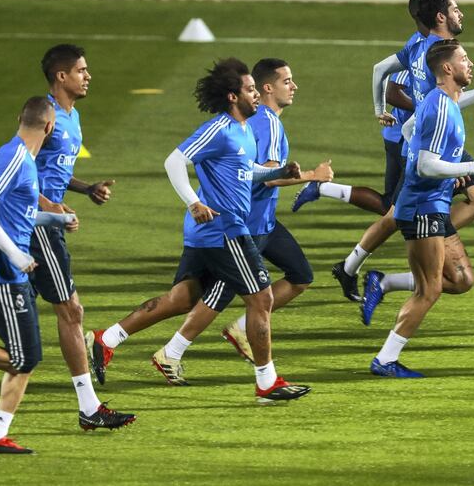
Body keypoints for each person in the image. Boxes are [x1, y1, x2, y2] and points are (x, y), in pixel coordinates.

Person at [86, 58, 309, 403]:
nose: (255, 96)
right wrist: (192, 201)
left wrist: (280, 172)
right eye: (250, 90)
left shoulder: (245, 131)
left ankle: (107, 340)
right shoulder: (218, 128)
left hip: (212, 232)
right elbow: (174, 160)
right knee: (262, 298)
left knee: (184, 298)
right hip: (224, 230)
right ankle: (267, 382)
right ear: (233, 97)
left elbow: (246, 172)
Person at [150, 58, 332, 378]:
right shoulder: (265, 124)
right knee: (222, 293)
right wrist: (309, 175)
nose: (294, 86)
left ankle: (236, 338)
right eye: (287, 81)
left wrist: (287, 172)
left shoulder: (248, 124)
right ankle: (174, 351)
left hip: (259, 221)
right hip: (245, 222)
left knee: (296, 275)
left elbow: (249, 170)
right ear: (266, 88)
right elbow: (260, 178)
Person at [331, 0, 474, 303]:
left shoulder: (418, 43)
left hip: (416, 138)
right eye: (455, 8)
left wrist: (378, 109)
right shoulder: (440, 56)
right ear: (441, 17)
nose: (460, 13)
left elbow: (379, 70)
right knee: (395, 215)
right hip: (426, 143)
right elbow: (448, 104)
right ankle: (354, 264)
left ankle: (363, 260)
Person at [369, 39, 474, 377]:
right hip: (423, 207)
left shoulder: (440, 102)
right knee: (429, 290)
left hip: (430, 203)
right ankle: (385, 360)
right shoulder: (441, 107)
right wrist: (472, 169)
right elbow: (427, 165)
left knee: (452, 281)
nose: (470, 64)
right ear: (447, 68)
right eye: (464, 59)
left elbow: (410, 130)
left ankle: (381, 292)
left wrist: (447, 171)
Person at [31, 44, 135, 430]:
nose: (88, 76)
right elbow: (20, 168)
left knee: (21, 306)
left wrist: (85, 188)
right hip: (34, 223)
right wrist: (51, 207)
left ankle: (89, 409)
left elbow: (51, 171)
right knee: (71, 311)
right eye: (81, 70)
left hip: (44, 219)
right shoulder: (44, 114)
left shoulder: (72, 117)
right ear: (61, 76)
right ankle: (89, 409)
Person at [292, 0, 434, 218]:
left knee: (392, 205)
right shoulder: (424, 48)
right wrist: (432, 111)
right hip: (403, 137)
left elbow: (382, 71)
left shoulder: (422, 42)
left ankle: (322, 188)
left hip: (399, 134)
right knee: (402, 209)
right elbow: (393, 91)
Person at [0, 98, 66, 453]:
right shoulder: (15, 158)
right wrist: (16, 254)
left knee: (26, 357)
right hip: (5, 276)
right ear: (50, 128)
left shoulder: (23, 159)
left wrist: (54, 218)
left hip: (11, 272)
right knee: (25, 357)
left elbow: (16, 215)